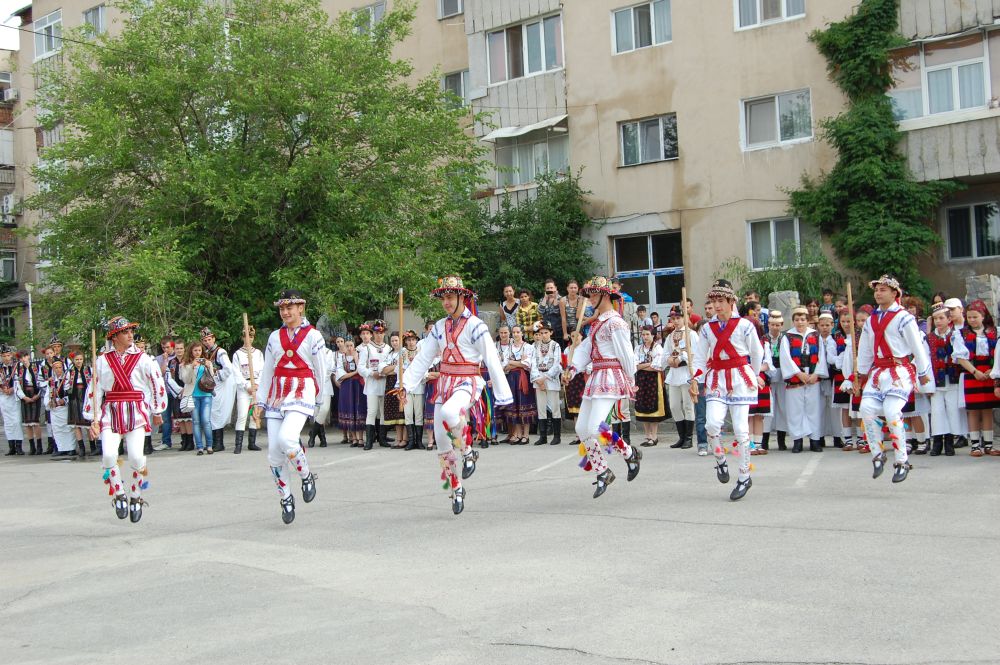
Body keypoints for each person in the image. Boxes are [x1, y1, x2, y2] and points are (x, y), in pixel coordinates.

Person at [401, 275, 513, 515]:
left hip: (467, 381)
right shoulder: (439, 327)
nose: (446, 302)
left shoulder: (476, 325)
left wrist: (503, 393)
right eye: (443, 298)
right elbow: (424, 357)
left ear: (462, 297)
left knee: (451, 412)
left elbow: (491, 357)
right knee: (441, 442)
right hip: (444, 384)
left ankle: (469, 451)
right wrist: (405, 384)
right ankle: (456, 487)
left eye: (451, 297)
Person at [254, 290, 327, 525]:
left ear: (301, 308)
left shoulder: (314, 336)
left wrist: (319, 399)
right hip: (277, 394)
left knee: (287, 438)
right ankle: (285, 497)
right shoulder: (274, 337)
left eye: (290, 308)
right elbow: (267, 371)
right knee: (274, 453)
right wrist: (260, 401)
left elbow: (321, 369)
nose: (285, 312)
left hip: (301, 390)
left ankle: (306, 475)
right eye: (282, 309)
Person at [86, 316, 167, 523]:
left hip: (135, 412)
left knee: (136, 457)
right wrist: (93, 419)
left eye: (131, 331)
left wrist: (157, 410)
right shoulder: (102, 360)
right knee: (108, 455)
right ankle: (119, 493)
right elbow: (95, 389)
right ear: (114, 337)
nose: (130, 335)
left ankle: (136, 496)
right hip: (111, 411)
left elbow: (156, 382)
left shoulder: (143, 358)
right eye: (125, 332)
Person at [566, 275, 641, 498]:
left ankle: (620, 458)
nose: (589, 299)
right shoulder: (597, 323)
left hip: (610, 377)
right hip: (596, 376)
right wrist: (572, 368)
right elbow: (585, 349)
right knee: (582, 428)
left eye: (594, 294)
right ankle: (613, 464)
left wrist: (631, 380)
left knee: (594, 427)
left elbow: (626, 353)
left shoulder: (616, 322)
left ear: (605, 296)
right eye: (589, 295)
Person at [853, 275, 931, 483]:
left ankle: (902, 460)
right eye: (876, 290)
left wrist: (923, 372)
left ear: (895, 293)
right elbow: (865, 349)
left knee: (891, 411)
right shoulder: (871, 320)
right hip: (878, 372)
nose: (878, 293)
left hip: (899, 371)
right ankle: (877, 455)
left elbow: (917, 346)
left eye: (883, 290)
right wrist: (859, 374)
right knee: (866, 409)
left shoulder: (904, 318)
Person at [692, 279, 764, 501]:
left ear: (731, 301)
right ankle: (720, 459)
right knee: (712, 423)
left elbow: (757, 352)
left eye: (721, 301)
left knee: (741, 430)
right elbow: (700, 357)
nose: (717, 305)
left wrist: (754, 375)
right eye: (714, 301)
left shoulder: (745, 325)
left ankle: (744, 476)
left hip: (740, 378)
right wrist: (695, 379)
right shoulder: (707, 329)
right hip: (717, 379)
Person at [953, 299, 1000, 457]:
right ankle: (975, 445)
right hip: (971, 373)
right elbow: (960, 357)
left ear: (983, 316)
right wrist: (975, 371)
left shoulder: (994, 332)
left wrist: (992, 370)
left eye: (975, 317)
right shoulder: (961, 334)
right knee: (973, 410)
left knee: (987, 409)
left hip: (989, 372)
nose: (972, 320)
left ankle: (988, 445)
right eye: (969, 317)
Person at [781, 307, 828, 453]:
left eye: (802, 319)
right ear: (793, 321)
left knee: (813, 410)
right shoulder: (787, 336)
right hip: (796, 378)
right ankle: (797, 440)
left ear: (808, 321)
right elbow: (785, 357)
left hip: (812, 377)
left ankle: (815, 440)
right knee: (795, 411)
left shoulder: (815, 335)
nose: (800, 322)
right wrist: (797, 373)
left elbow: (821, 356)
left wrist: (817, 373)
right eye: (797, 320)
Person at [927, 303, 960, 456]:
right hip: (936, 380)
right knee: (937, 411)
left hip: (952, 377)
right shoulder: (929, 338)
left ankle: (949, 441)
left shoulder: (956, 335)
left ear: (949, 319)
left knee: (952, 410)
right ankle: (937, 442)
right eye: (935, 319)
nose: (938, 321)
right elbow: (925, 360)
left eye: (941, 318)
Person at [663, 306, 697, 449]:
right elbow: (665, 353)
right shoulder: (670, 336)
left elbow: (696, 353)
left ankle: (688, 438)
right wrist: (669, 359)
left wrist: (682, 358)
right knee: (674, 406)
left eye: (678, 318)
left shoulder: (691, 334)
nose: (676, 321)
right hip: (674, 373)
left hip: (686, 372)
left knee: (688, 405)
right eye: (673, 319)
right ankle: (681, 437)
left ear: (684, 318)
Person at [202, 327, 236, 453]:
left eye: (209, 339)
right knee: (212, 413)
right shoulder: (206, 353)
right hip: (212, 386)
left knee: (216, 412)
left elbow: (228, 368)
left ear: (214, 339)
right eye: (205, 340)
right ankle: (212, 442)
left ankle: (219, 443)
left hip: (220, 385)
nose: (207, 342)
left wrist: (215, 375)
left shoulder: (220, 352)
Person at [500, 324, 535, 444]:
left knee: (524, 404)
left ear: (522, 333)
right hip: (511, 378)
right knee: (515, 406)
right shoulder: (508, 348)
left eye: (518, 332)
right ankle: (519, 434)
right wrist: (519, 362)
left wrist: (512, 362)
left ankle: (526, 435)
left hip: (523, 377)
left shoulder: (528, 347)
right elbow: (504, 366)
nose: (515, 334)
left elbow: (527, 364)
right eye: (514, 332)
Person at [358, 320, 390, 450]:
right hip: (372, 384)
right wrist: (371, 373)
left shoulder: (388, 348)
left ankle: (382, 438)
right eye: (377, 332)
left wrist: (385, 373)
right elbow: (360, 367)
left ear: (384, 333)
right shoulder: (367, 348)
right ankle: (369, 441)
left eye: (381, 332)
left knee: (383, 412)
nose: (379, 335)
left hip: (385, 383)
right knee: (371, 411)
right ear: (373, 333)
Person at [180, 340, 216, 455]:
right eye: (195, 350)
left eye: (199, 350)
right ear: (191, 351)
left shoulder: (207, 362)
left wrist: (208, 367)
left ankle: (209, 445)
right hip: (193, 395)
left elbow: (212, 379)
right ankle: (199, 447)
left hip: (206, 395)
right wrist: (192, 367)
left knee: (206, 420)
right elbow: (186, 380)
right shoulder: (185, 364)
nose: (197, 352)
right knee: (196, 421)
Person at [530, 321, 563, 445]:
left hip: (550, 379)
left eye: (545, 332)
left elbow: (557, 364)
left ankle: (557, 436)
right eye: (541, 333)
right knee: (541, 408)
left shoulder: (555, 345)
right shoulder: (535, 346)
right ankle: (543, 436)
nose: (543, 335)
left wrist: (545, 378)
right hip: (538, 379)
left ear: (551, 333)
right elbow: (532, 363)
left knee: (555, 407)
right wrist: (538, 379)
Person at [232, 327, 264, 453]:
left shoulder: (258, 353)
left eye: (251, 337)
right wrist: (247, 386)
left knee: (254, 415)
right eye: (246, 337)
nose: (248, 339)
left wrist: (257, 384)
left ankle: (252, 443)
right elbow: (236, 373)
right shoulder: (237, 354)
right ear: (242, 338)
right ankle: (238, 445)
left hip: (256, 386)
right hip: (244, 387)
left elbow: (262, 370)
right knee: (242, 415)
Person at [633, 326, 665, 446]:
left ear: (653, 335)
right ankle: (647, 435)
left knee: (653, 406)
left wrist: (642, 366)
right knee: (642, 406)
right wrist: (649, 364)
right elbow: (634, 365)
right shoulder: (638, 348)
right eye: (643, 334)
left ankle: (654, 436)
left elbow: (657, 366)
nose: (645, 337)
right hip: (641, 380)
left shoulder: (658, 348)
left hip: (653, 380)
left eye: (647, 334)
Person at [335, 338, 367, 447]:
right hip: (347, 386)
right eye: (347, 346)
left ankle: (360, 438)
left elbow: (361, 370)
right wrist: (355, 373)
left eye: (351, 345)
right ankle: (354, 438)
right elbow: (341, 375)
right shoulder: (341, 358)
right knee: (349, 409)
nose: (349, 348)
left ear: (354, 346)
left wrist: (356, 358)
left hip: (358, 385)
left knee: (359, 408)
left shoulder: (359, 356)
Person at [165, 339, 194, 451]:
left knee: (188, 418)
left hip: (188, 391)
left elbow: (192, 377)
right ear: (174, 349)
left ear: (184, 349)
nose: (179, 350)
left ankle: (190, 442)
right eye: (177, 348)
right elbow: (169, 379)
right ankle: (184, 441)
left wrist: (185, 390)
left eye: (181, 348)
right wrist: (178, 391)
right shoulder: (171, 362)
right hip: (177, 393)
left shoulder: (189, 361)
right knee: (180, 418)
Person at [44, 358, 76, 459]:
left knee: (67, 428)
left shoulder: (67, 379)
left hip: (64, 408)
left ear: (62, 368)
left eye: (60, 367)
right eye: (56, 368)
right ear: (53, 369)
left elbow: (70, 393)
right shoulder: (51, 381)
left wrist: (64, 400)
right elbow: (47, 395)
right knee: (57, 429)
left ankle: (71, 448)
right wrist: (49, 402)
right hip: (55, 409)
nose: (58, 370)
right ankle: (61, 448)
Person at [763, 311, 786, 451]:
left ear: (781, 325)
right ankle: (764, 439)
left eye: (777, 325)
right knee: (768, 408)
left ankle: (781, 440)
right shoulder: (763, 338)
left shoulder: (785, 338)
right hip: (768, 376)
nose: (775, 327)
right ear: (768, 324)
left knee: (782, 407)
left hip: (783, 375)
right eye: (772, 324)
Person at [379, 331, 406, 449]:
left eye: (396, 340)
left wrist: (390, 369)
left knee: (402, 411)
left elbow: (403, 368)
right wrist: (395, 368)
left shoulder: (404, 352)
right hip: (390, 383)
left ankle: (404, 439)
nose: (394, 343)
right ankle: (398, 438)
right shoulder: (389, 354)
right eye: (392, 341)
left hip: (400, 382)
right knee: (395, 412)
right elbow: (383, 370)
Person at [400, 330, 426, 450]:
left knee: (419, 414)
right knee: (408, 414)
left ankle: (419, 441)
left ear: (416, 341)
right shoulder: (402, 353)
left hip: (418, 386)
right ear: (405, 341)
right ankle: (411, 441)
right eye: (409, 340)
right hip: (406, 387)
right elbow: (399, 370)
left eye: (413, 340)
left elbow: (425, 368)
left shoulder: (421, 353)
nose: (411, 342)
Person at [15, 350, 44, 455]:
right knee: (27, 423)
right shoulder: (19, 369)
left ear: (28, 357)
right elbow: (17, 385)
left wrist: (38, 395)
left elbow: (41, 381)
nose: (23, 359)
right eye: (21, 358)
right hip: (25, 395)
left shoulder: (37, 367)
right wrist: (24, 397)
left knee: (35, 422)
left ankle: (39, 446)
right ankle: (32, 447)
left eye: (24, 357)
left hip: (35, 393)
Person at [67, 353, 94, 457]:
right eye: (77, 359)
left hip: (86, 396)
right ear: (73, 360)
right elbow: (66, 385)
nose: (79, 361)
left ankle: (92, 446)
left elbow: (93, 382)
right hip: (74, 398)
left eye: (80, 359)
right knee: (76, 424)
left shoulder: (88, 369)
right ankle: (81, 447)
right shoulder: (70, 371)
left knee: (87, 424)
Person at [1, 345, 22, 456]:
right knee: (8, 422)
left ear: (11, 355)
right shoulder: (0, 368)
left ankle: (19, 446)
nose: (6, 358)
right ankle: (11, 447)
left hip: (15, 397)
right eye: (4, 356)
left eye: (8, 355)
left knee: (16, 421)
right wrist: (3, 389)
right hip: (4, 397)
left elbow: (21, 380)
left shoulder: (17, 366)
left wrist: (13, 389)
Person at [154, 336, 175, 450]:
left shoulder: (178, 356)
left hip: (176, 390)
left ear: (172, 346)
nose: (165, 350)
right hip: (165, 391)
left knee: (182, 417)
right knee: (166, 418)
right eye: (163, 347)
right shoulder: (158, 359)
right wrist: (165, 361)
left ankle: (187, 441)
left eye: (167, 347)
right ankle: (166, 441)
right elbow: (160, 374)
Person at [538, 279, 564, 347]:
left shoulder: (561, 299)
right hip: (546, 330)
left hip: (558, 330)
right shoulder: (543, 299)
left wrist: (555, 298)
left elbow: (556, 311)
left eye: (551, 288)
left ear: (555, 288)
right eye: (548, 288)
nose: (550, 289)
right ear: (545, 289)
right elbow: (540, 311)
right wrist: (545, 298)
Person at [560, 279, 583, 344]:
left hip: (579, 328)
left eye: (575, 288)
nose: (573, 290)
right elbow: (563, 318)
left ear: (578, 289)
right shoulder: (563, 300)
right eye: (571, 288)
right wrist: (565, 333)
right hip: (568, 328)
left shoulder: (581, 299)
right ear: (567, 288)